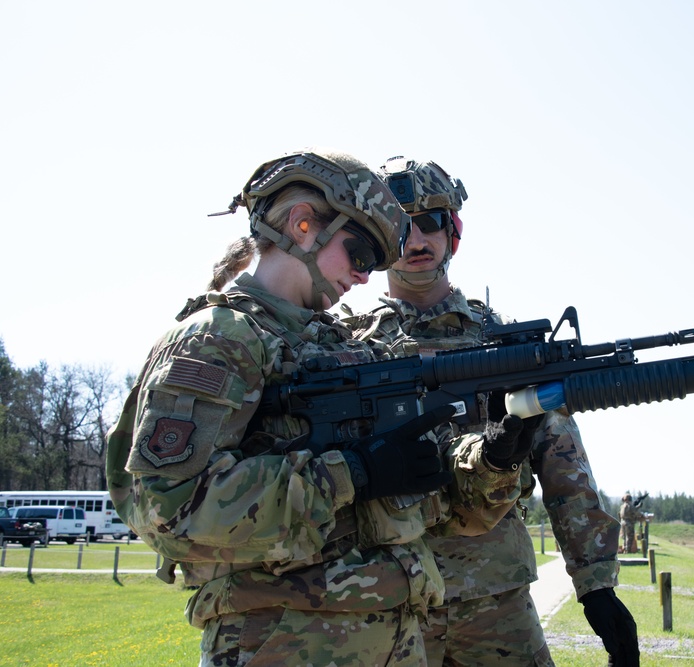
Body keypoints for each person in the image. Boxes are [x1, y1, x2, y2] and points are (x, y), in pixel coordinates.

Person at [105, 149, 539, 666]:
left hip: (393, 640)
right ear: (302, 224)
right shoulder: (218, 340)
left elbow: (425, 504)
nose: (363, 277)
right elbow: (170, 510)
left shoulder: (340, 347)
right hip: (280, 644)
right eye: (358, 254)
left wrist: (489, 459)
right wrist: (351, 473)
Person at [347, 156, 640, 666]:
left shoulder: (502, 344)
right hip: (383, 598)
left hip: (493, 599)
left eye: (431, 222)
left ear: (453, 232)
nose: (416, 240)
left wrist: (595, 584)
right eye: (400, 224)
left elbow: (562, 459)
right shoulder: (344, 348)